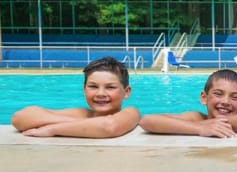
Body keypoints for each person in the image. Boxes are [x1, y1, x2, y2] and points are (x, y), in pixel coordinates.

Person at [11, 56, 140, 138]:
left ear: (126, 92)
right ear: (84, 90)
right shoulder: (83, 114)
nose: (100, 93)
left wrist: (53, 129)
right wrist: (86, 124)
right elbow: (19, 118)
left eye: (110, 87)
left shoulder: (131, 112)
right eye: (93, 87)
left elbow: (109, 126)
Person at [139, 69, 237, 138]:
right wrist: (200, 128)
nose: (225, 101)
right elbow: (147, 121)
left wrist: (217, 123)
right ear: (204, 98)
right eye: (218, 94)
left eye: (234, 97)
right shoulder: (197, 118)